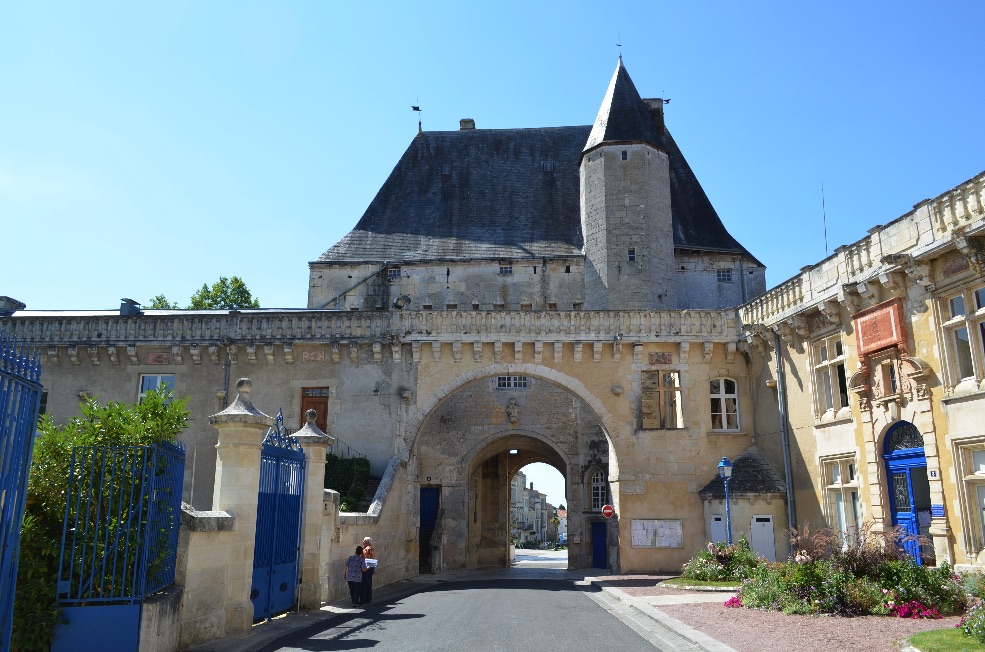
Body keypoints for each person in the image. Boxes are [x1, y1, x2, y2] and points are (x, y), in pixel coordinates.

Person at [361, 536, 376, 604]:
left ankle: (364, 599)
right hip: (371, 567)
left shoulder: (367, 549)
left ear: (367, 542)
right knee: (369, 584)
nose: (363, 542)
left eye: (364, 541)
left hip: (367, 568)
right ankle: (368, 599)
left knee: (364, 584)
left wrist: (365, 568)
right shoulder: (372, 548)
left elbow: (367, 560)